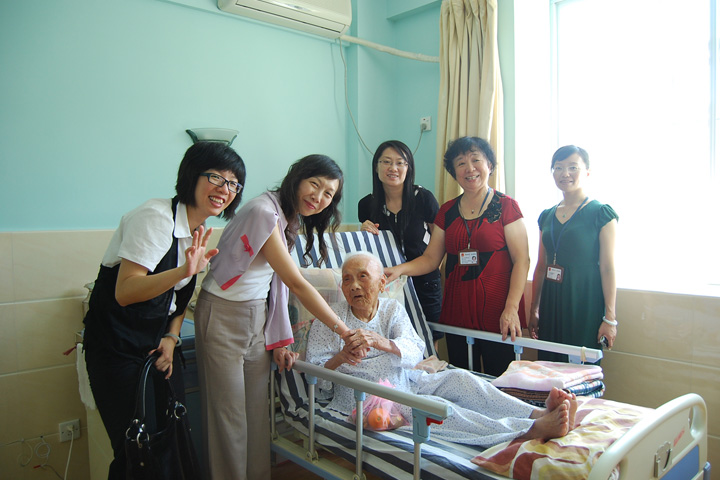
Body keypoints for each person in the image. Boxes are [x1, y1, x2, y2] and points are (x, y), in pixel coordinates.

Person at [194, 154, 365, 480]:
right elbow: (295, 283)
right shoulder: (263, 212)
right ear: (297, 178)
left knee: (257, 416)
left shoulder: (287, 219)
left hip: (256, 317)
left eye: (328, 194)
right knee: (229, 418)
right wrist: (345, 331)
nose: (319, 197)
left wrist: (280, 340)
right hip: (222, 316)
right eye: (315, 184)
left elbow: (274, 287)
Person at [83, 141, 246, 479]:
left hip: (154, 348)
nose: (224, 189)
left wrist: (171, 340)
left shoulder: (196, 231)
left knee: (169, 442)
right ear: (191, 176)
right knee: (136, 450)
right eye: (216, 176)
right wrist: (184, 272)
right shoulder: (156, 217)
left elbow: (177, 301)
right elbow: (126, 291)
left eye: (233, 183)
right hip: (116, 349)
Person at [306, 252, 576, 447]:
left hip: (407, 379)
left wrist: (381, 342)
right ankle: (526, 430)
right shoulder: (331, 318)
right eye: (347, 279)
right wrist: (342, 356)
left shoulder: (391, 309)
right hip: (368, 397)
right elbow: (314, 375)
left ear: (381, 284)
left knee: (462, 379)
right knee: (438, 408)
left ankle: (535, 412)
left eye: (362, 277)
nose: (353, 285)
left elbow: (414, 349)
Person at [385, 137, 530, 376]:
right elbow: (431, 259)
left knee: (500, 383)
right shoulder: (447, 211)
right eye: (461, 163)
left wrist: (512, 308)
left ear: (490, 166)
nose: (469, 168)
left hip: (498, 314)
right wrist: (400, 269)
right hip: (457, 312)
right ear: (454, 172)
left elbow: (522, 260)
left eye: (476, 160)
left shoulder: (506, 206)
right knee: (463, 382)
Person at [528, 145, 619, 361]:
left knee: (581, 369)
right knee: (549, 368)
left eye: (572, 167)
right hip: (551, 303)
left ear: (587, 172)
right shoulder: (546, 216)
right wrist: (534, 310)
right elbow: (541, 266)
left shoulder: (601, 213)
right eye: (558, 168)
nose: (565, 173)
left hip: (584, 301)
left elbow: (607, 268)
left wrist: (610, 319)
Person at [357, 140, 443, 346]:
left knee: (427, 345)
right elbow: (369, 252)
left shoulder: (423, 198)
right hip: (386, 285)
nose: (392, 168)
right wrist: (363, 232)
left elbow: (438, 247)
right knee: (390, 342)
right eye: (386, 162)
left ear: (408, 168)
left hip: (424, 283)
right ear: (376, 167)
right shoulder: (366, 204)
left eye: (400, 163)